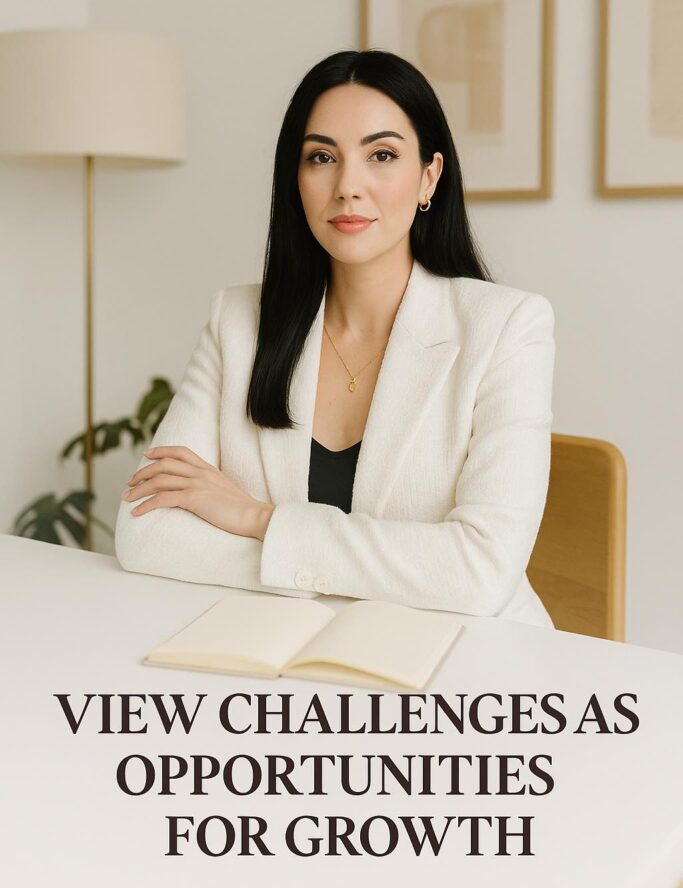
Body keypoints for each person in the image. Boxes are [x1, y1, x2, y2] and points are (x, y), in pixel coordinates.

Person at [115, 49, 556, 628]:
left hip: (468, 674)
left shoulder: (507, 328)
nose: (348, 186)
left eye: (382, 155)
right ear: (295, 180)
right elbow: (146, 533)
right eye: (322, 157)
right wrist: (374, 569)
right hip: (275, 656)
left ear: (429, 176)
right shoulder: (238, 321)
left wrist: (256, 519)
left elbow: (479, 572)